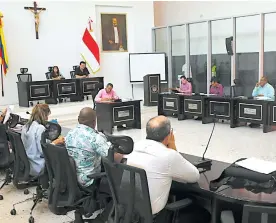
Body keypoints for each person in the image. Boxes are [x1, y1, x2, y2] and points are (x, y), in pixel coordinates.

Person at [127, 116, 202, 218]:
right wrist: (172, 145)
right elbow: (194, 176)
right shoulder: (169, 156)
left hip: (129, 209)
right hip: (154, 215)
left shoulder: (135, 146)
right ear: (169, 135)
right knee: (202, 215)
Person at [65, 107, 123, 188]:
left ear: (78, 119)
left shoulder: (70, 133)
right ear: (94, 122)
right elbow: (114, 158)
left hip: (72, 177)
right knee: (117, 164)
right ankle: (115, 195)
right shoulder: (94, 138)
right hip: (88, 181)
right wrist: (122, 154)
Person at [21, 104, 51, 177]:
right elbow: (42, 151)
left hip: (29, 164)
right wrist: (52, 144)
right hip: (38, 166)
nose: (47, 118)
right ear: (43, 115)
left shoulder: (26, 126)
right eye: (47, 115)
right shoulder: (40, 128)